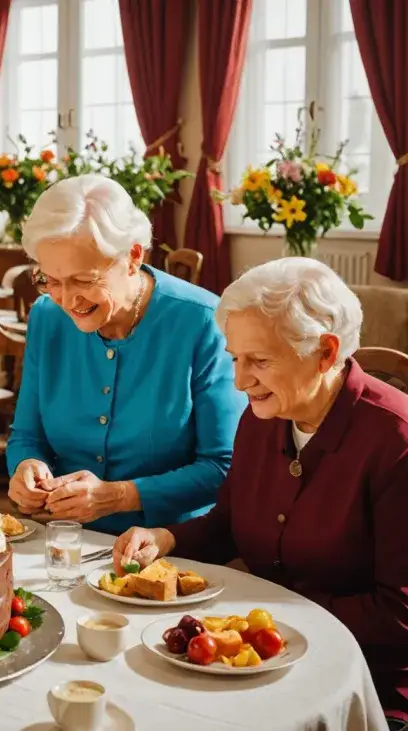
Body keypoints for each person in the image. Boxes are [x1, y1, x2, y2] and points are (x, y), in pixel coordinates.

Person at [112, 258, 408, 725]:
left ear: (326, 353)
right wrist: (167, 539)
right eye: (235, 358)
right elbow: (230, 523)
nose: (239, 380)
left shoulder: (396, 442)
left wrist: (260, 619)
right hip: (257, 664)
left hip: (360, 686)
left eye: (260, 361)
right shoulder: (261, 417)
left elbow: (399, 616)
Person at [6, 175, 245, 534]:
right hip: (66, 537)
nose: (67, 301)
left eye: (84, 280)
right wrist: (27, 467)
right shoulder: (46, 317)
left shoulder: (202, 321)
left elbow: (222, 467)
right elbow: (27, 435)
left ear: (133, 257)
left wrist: (119, 496)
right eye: (50, 280)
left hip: (170, 546)